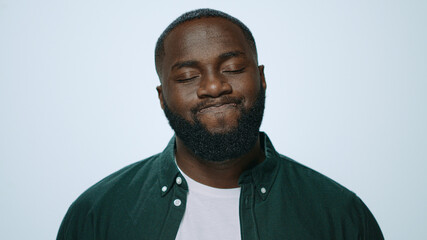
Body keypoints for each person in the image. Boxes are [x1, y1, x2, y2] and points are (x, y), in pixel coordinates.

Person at [57, 8, 384, 240]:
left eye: (232, 68)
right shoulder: (97, 214)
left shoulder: (340, 216)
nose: (214, 87)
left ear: (261, 78)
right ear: (161, 96)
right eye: (188, 76)